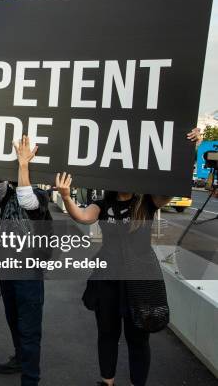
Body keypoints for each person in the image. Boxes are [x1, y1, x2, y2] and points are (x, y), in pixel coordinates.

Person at [55, 128, 202, 386]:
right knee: (107, 334)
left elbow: (170, 186)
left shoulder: (147, 201)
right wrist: (66, 197)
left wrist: (189, 151)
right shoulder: (103, 202)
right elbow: (82, 216)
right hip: (108, 280)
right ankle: (107, 382)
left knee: (138, 339)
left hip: (140, 281)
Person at [0, 136, 53, 386]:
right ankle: (20, 358)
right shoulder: (7, 196)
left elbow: (27, 198)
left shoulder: (39, 197)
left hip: (28, 272)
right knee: (13, 317)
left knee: (29, 328)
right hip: (6, 268)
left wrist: (24, 163)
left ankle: (30, 379)